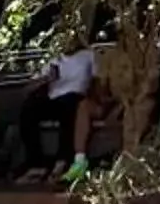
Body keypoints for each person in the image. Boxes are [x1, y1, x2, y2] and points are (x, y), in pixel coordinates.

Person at [18, 43, 99, 180]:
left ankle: (62, 161)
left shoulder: (89, 55)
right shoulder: (53, 57)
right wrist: (47, 78)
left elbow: (97, 81)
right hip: (54, 99)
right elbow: (27, 89)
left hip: (76, 97)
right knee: (28, 109)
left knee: (69, 106)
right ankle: (36, 164)